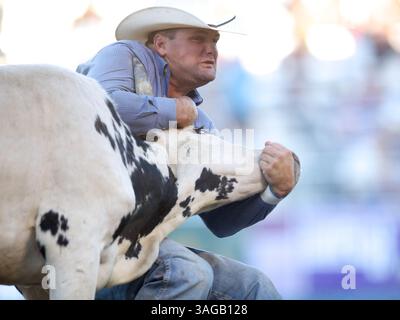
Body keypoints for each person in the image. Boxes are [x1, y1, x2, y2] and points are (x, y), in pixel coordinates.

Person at [76, 6, 300, 300]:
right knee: (187, 272)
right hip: (77, 236)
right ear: (160, 45)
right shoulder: (125, 54)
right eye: (198, 39)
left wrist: (275, 190)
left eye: (215, 42)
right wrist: (173, 111)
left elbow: (220, 222)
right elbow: (100, 105)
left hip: (130, 250)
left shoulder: (201, 124)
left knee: (255, 287)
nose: (212, 50)